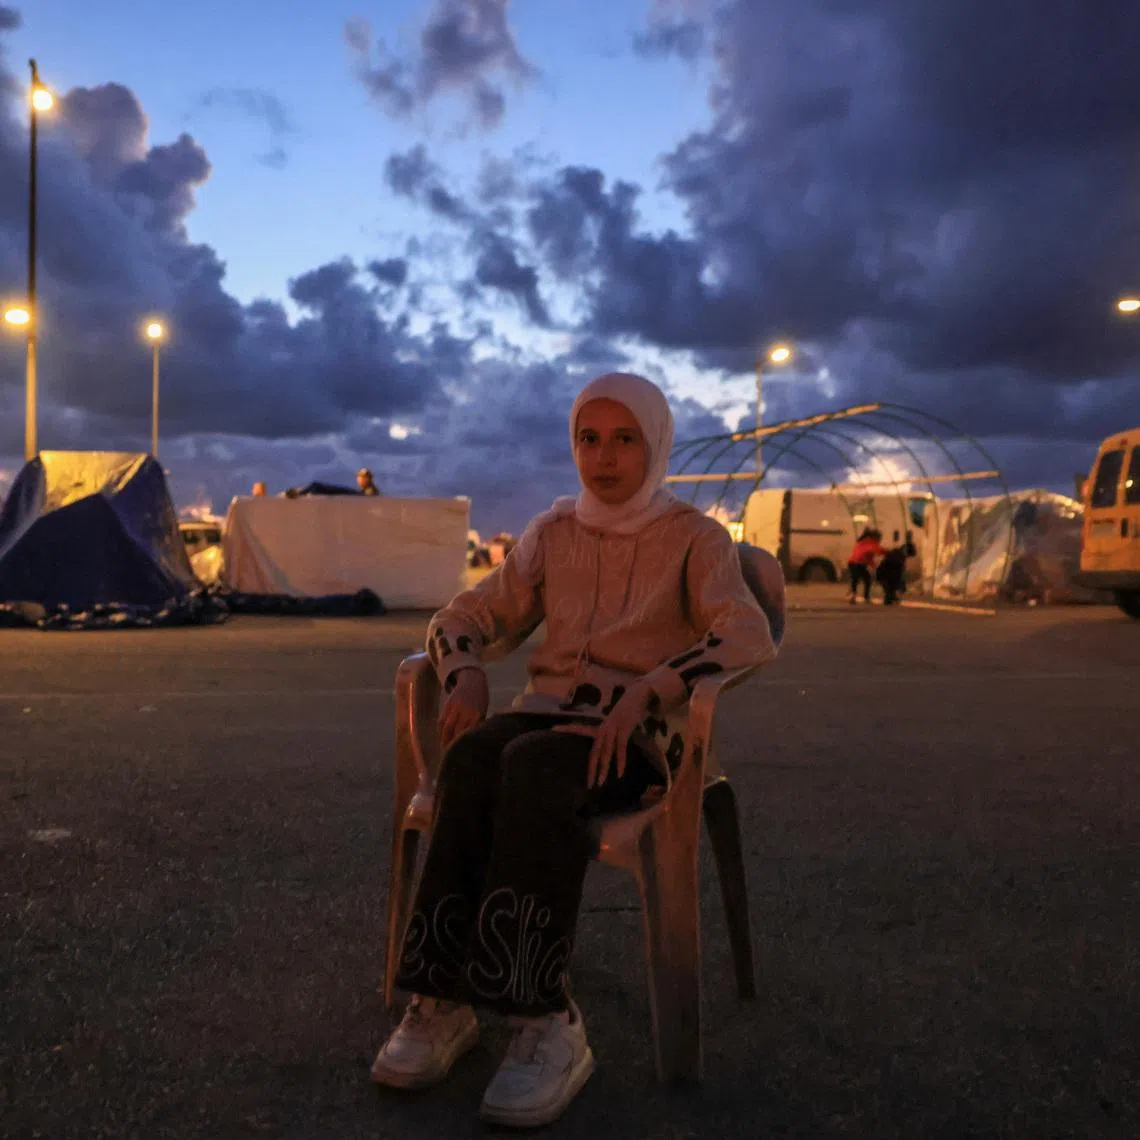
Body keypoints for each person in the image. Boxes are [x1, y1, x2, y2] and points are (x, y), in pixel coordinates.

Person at [370, 372, 778, 1128]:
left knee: (533, 770)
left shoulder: (695, 537)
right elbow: (470, 613)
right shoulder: (553, 533)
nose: (605, 458)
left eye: (626, 440)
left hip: (638, 742)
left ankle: (544, 1019)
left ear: (654, 446)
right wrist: (463, 673)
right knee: (471, 758)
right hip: (549, 718)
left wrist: (653, 686)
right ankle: (445, 997)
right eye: (589, 439)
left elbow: (748, 632)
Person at [875, 529, 916, 605]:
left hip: (883, 572)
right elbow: (899, 574)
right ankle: (891, 597)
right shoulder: (899, 557)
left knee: (890, 586)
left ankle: (891, 597)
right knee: (892, 585)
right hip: (888, 572)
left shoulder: (897, 552)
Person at [846, 527, 886, 604]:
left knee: (859, 579)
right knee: (863, 579)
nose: (880, 539)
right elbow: (878, 551)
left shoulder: (863, 541)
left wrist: (873, 565)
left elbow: (868, 557)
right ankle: (861, 596)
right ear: (876, 537)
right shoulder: (872, 543)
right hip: (858, 563)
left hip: (853, 563)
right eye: (880, 537)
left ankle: (856, 596)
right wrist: (888, 552)